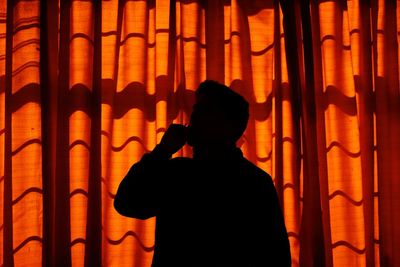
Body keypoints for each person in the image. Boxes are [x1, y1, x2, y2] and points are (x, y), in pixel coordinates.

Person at [114, 80, 291, 267]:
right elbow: (127, 203)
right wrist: (162, 151)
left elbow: (276, 256)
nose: (194, 117)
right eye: (196, 110)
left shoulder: (254, 184)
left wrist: (162, 152)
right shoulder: (177, 172)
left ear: (229, 126)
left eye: (205, 111)